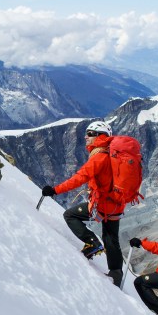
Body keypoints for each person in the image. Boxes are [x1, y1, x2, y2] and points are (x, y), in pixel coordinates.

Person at [41, 121, 125, 286]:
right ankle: (116, 275)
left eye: (90, 134)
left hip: (102, 205)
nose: (86, 137)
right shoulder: (112, 153)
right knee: (111, 238)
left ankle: (92, 243)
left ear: (100, 136)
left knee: (70, 215)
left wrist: (55, 190)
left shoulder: (99, 156)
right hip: (116, 204)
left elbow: (79, 178)